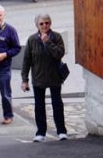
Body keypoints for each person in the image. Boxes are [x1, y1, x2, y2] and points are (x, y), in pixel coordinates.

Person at [21, 13, 68, 142]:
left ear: (50, 23)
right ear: (37, 25)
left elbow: (59, 53)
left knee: (57, 104)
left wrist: (48, 42)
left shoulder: (56, 37)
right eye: (41, 23)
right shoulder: (31, 40)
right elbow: (26, 61)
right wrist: (25, 80)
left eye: (47, 23)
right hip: (38, 78)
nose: (44, 25)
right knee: (39, 106)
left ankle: (61, 131)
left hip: (54, 77)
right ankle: (41, 132)